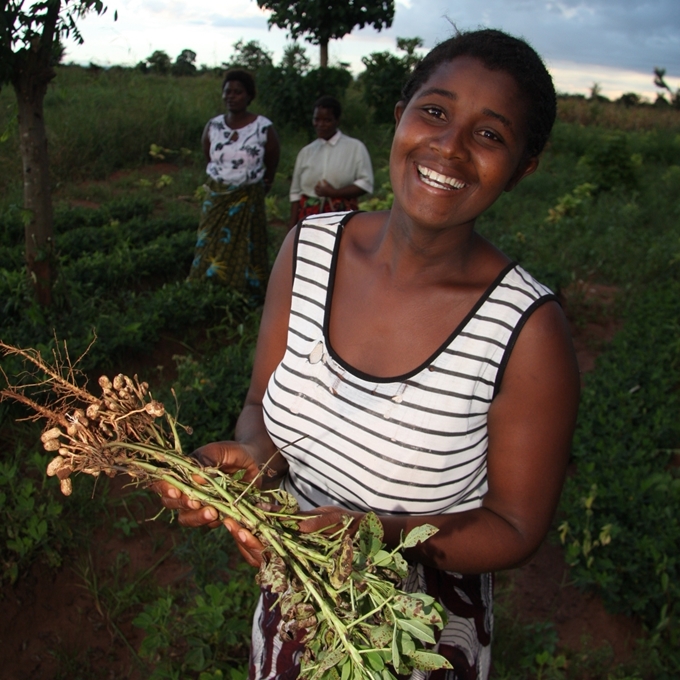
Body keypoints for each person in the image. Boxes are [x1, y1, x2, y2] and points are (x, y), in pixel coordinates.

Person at [159, 28, 581, 680]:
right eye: (435, 112)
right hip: (295, 588)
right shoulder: (307, 248)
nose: (450, 146)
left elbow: (517, 525)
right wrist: (253, 462)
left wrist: (376, 535)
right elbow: (259, 410)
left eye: (490, 134)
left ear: (525, 165)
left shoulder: (528, 330)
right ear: (400, 116)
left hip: (417, 628)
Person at [188, 69, 280, 301]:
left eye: (238, 92)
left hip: (248, 196)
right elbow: (209, 157)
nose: (231, 96)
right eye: (227, 91)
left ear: (249, 96)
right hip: (217, 195)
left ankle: (246, 293)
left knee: (248, 242)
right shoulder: (214, 126)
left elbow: (271, 161)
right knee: (210, 239)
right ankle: (208, 286)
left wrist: (260, 184)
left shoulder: (262, 127)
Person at [288, 95, 373, 230]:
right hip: (309, 219)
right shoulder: (306, 152)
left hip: (342, 218)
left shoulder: (354, 147)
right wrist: (292, 229)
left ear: (337, 121)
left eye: (327, 120)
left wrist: (334, 193)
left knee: (340, 250)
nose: (320, 124)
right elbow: (295, 194)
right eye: (317, 119)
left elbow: (365, 183)